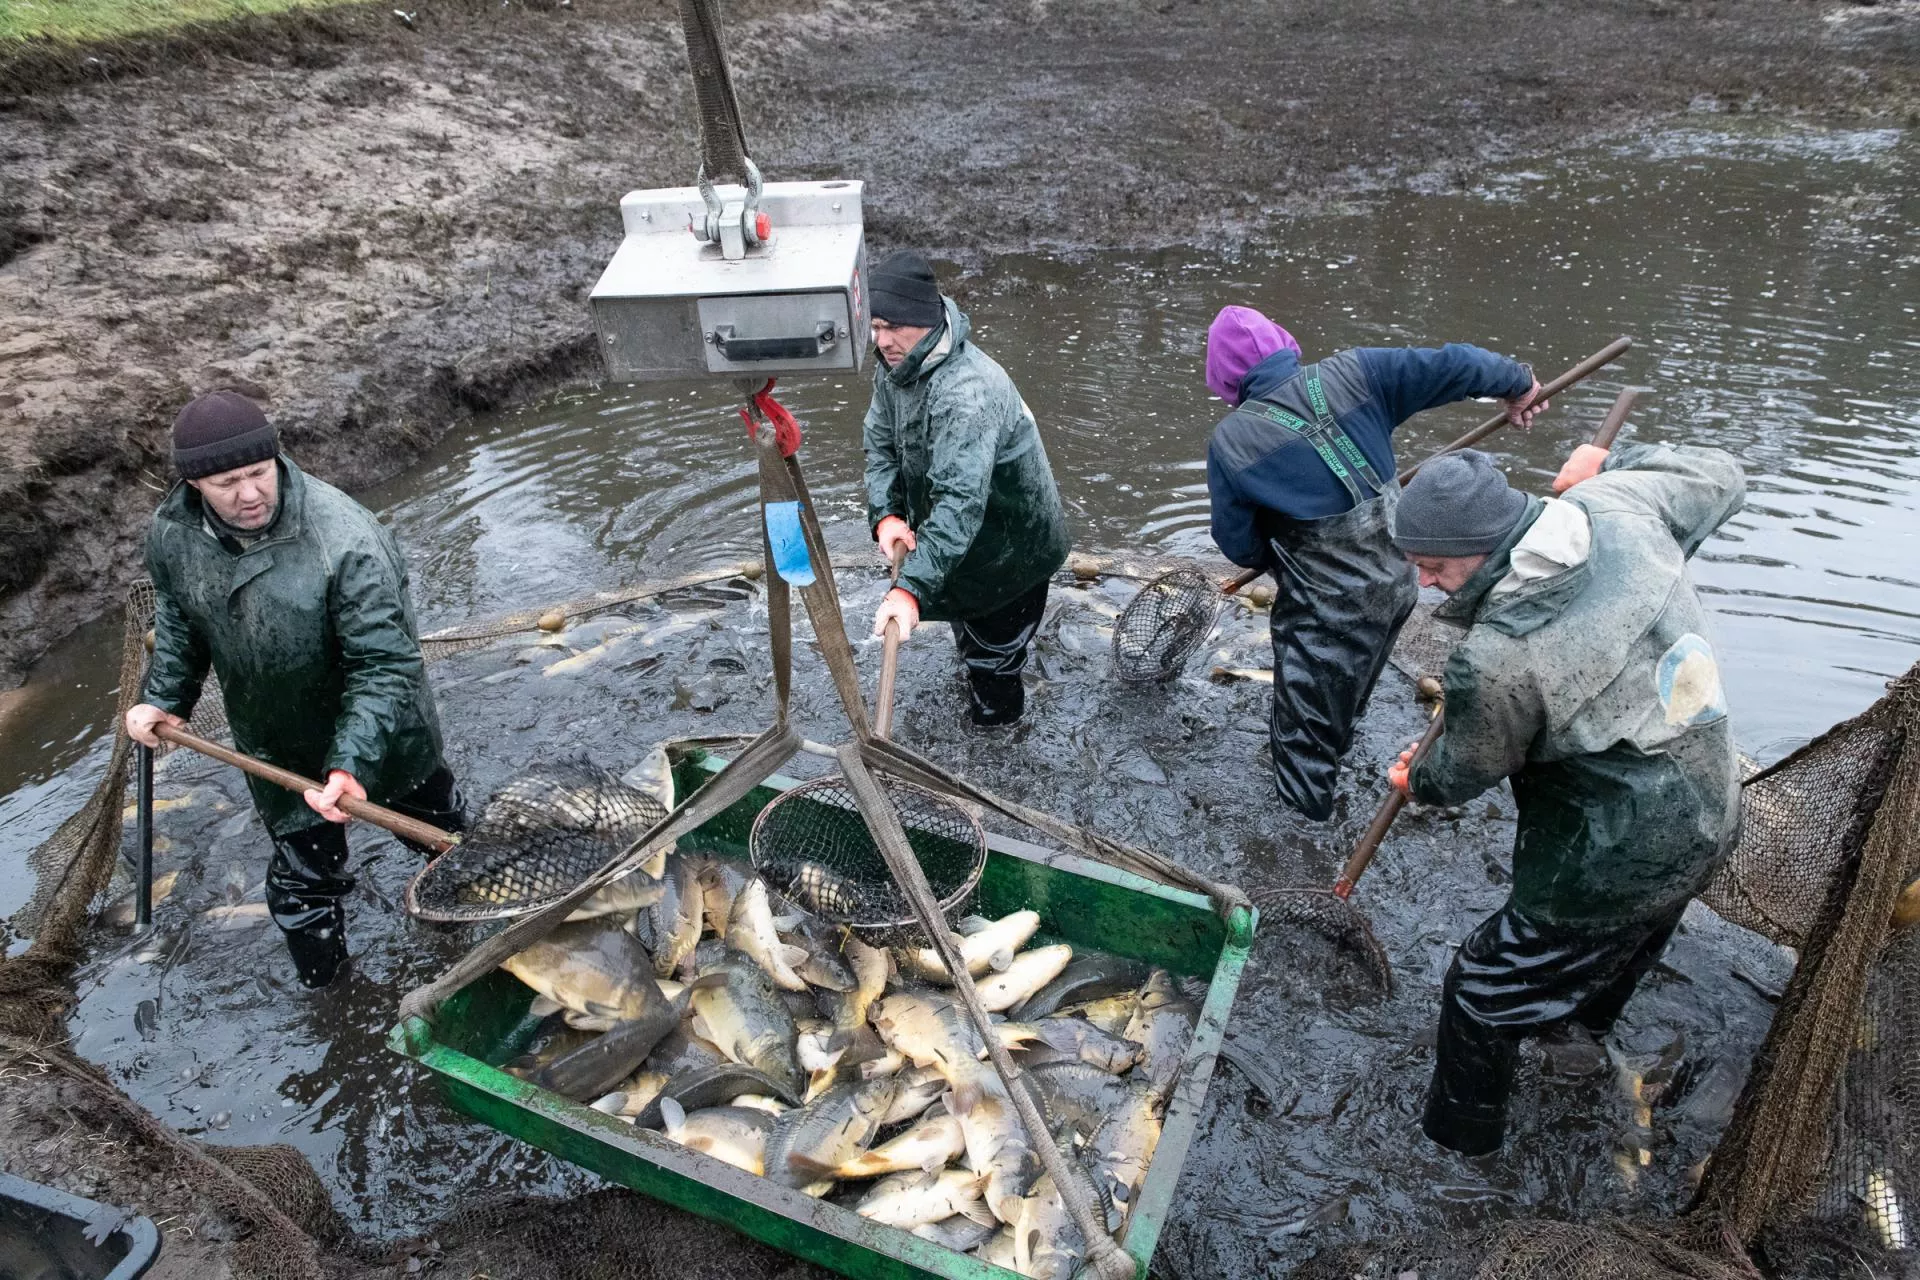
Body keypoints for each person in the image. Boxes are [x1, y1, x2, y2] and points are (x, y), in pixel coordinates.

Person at [1387, 441, 1746, 1156]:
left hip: (1613, 850)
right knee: (1634, 933)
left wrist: (1415, 779)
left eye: (1435, 567)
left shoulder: (1494, 658)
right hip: (1712, 801)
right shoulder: (1618, 505)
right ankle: (1575, 1033)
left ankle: (1461, 1143)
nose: (1424, 584)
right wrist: (1615, 467)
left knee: (1481, 987)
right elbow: (1723, 476)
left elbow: (1463, 773)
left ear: (1486, 545)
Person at [124, 391, 462, 988]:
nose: (249, 494)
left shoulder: (347, 538)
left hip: (387, 734)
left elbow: (385, 664)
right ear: (194, 483)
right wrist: (166, 698)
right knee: (301, 884)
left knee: (447, 845)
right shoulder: (172, 534)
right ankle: (334, 998)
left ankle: (479, 941)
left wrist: (351, 761)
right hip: (275, 740)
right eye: (227, 481)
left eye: (259, 473)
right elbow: (178, 617)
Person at [1203, 306, 1548, 820]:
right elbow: (1454, 364)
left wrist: (1278, 554)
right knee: (1356, 680)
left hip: (1328, 611)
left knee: (1305, 732)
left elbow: (1238, 544)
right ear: (1284, 345)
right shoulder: (1358, 370)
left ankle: (1305, 831)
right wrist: (1517, 383)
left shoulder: (1231, 443)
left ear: (1225, 380)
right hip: (1401, 582)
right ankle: (1342, 743)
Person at [862, 251, 1070, 727]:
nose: (884, 340)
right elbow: (879, 444)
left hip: (1011, 547)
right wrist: (887, 515)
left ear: (925, 320)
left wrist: (910, 589)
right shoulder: (894, 367)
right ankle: (978, 673)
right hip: (965, 543)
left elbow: (959, 502)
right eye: (875, 325)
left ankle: (999, 745)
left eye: (894, 326)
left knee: (995, 665)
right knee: (971, 639)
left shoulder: (967, 394)